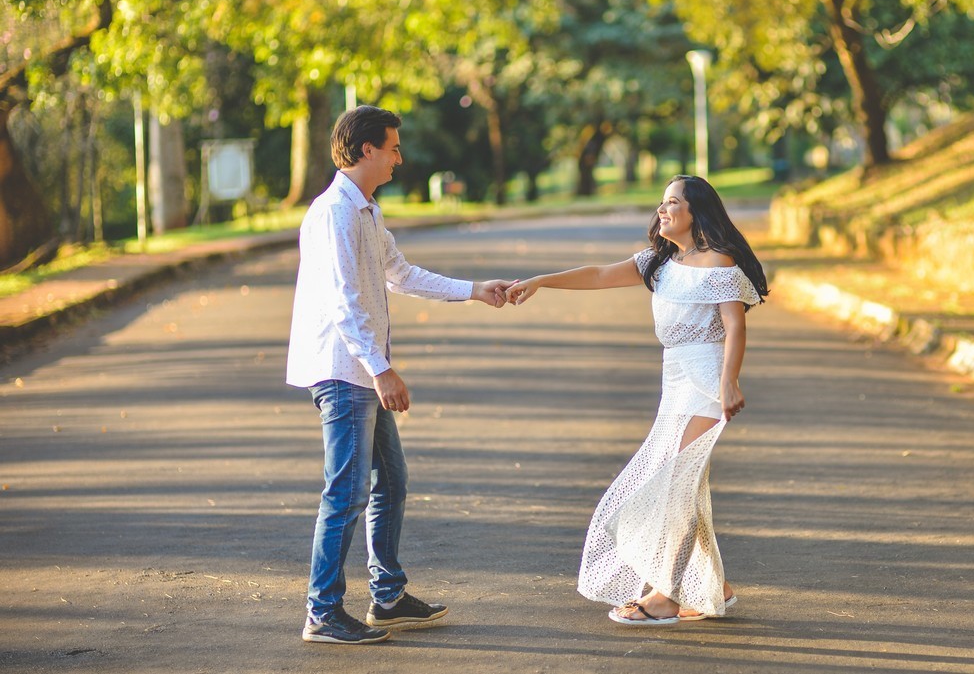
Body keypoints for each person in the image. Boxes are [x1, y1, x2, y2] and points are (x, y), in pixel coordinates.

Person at [286, 105, 512, 644]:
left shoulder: (366, 210)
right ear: (366, 150)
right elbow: (344, 302)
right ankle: (322, 612)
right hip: (343, 371)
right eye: (392, 147)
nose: (398, 157)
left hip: (361, 369)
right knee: (345, 491)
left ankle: (386, 598)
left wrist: (474, 290)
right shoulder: (335, 213)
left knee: (391, 481)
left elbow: (400, 274)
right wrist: (382, 369)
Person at [504, 175, 769, 626]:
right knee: (685, 485)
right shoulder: (661, 262)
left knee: (676, 486)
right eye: (662, 203)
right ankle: (713, 588)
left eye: (672, 203)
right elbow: (599, 274)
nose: (662, 210)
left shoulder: (717, 262)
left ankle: (667, 595)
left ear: (696, 213)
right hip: (676, 380)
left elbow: (735, 326)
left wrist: (729, 382)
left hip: (705, 381)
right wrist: (542, 280)